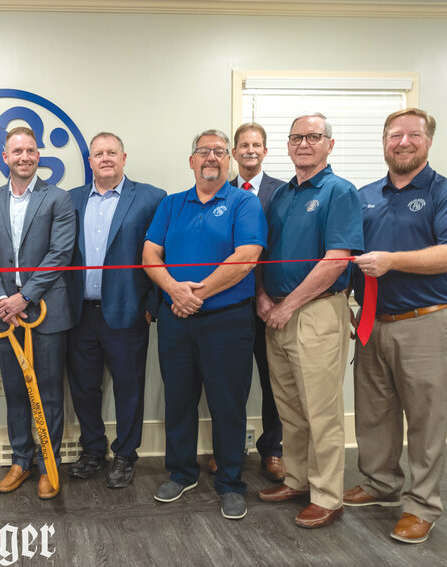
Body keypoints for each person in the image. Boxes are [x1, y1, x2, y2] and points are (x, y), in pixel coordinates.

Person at [344, 108, 447, 544]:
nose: (403, 142)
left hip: (425, 324)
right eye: (394, 135)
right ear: (383, 142)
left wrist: (393, 261)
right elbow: (349, 260)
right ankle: (381, 484)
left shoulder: (446, 193)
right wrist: (348, 302)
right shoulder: (364, 196)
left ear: (428, 142)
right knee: (373, 414)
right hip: (371, 323)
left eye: (413, 135)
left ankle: (421, 506)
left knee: (425, 419)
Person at [143, 129, 266, 520]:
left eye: (218, 151)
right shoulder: (171, 204)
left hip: (227, 321)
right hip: (176, 321)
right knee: (178, 400)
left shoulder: (244, 202)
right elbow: (149, 255)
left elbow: (247, 256)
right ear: (191, 161)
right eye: (203, 152)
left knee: (227, 404)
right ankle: (182, 473)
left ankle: (231, 482)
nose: (211, 157)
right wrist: (175, 292)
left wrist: (198, 294)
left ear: (228, 159)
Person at [256, 113, 363, 529]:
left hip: (317, 312)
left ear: (329, 145)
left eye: (313, 136)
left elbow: (337, 260)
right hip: (276, 312)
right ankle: (298, 479)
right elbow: (263, 255)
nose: (304, 143)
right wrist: (265, 298)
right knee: (291, 408)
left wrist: (288, 305)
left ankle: (327, 495)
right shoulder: (282, 195)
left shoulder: (340, 192)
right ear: (287, 145)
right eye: (297, 137)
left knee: (322, 410)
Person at [0, 126, 75, 500]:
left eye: (31, 151)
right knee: (15, 391)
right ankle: (21, 460)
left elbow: (60, 255)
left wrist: (25, 297)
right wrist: (3, 299)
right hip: (5, 315)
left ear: (39, 155)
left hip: (45, 311)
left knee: (48, 392)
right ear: (5, 157)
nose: (24, 157)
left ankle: (50, 465)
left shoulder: (58, 199)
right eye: (17, 151)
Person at [66, 132, 165, 488]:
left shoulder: (151, 198)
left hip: (129, 311)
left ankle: (125, 455)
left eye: (112, 152)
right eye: (98, 154)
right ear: (89, 162)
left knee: (129, 387)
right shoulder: (71, 200)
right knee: (84, 388)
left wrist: (153, 305)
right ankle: (93, 450)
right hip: (79, 314)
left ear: (124, 158)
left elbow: (161, 254)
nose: (105, 158)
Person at [209, 122, 286, 481]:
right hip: (231, 304)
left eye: (257, 144)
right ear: (233, 153)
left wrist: (268, 297)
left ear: (265, 151)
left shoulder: (284, 193)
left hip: (272, 305)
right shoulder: (216, 193)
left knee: (274, 384)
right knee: (230, 383)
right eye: (243, 145)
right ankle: (228, 448)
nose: (250, 150)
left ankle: (272, 449)